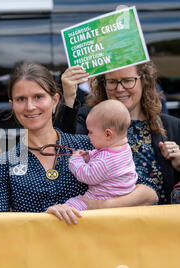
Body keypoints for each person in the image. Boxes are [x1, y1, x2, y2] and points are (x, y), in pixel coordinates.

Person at [0, 61, 158, 225]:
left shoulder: (89, 145)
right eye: (21, 99)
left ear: (55, 100)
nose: (30, 106)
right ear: (12, 105)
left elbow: (148, 193)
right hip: (37, 254)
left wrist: (97, 206)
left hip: (93, 251)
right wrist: (46, 219)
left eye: (38, 97)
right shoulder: (2, 164)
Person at [55, 62, 180, 204]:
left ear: (144, 80)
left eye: (128, 80)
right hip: (106, 222)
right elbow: (62, 149)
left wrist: (179, 165)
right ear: (103, 84)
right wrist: (69, 97)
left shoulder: (172, 126)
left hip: (156, 222)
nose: (120, 89)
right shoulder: (89, 120)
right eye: (112, 82)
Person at [64, 100, 137, 211]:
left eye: (91, 132)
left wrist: (75, 160)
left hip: (102, 198)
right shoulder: (124, 148)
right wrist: (89, 155)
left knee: (70, 206)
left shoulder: (106, 160)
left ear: (108, 134)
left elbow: (88, 175)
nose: (88, 136)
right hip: (122, 196)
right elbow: (102, 155)